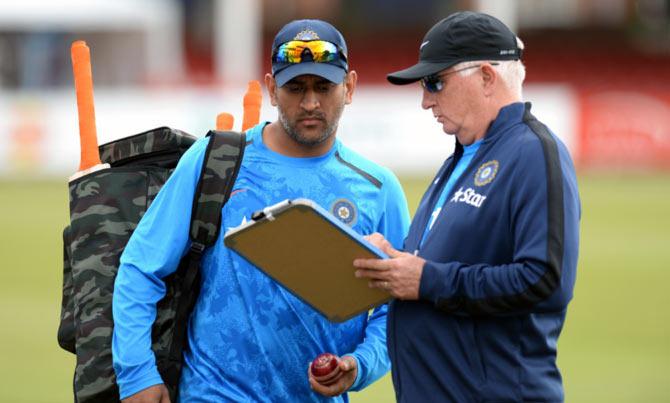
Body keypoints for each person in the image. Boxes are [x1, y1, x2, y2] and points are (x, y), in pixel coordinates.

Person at [112, 19, 410, 402]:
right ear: (271, 88)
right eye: (295, 87)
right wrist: (137, 374)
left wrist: (360, 364)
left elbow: (395, 311)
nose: (310, 103)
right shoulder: (216, 160)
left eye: (324, 86)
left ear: (349, 87)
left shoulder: (377, 188)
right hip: (213, 394)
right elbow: (141, 266)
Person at [353, 11, 581, 403]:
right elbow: (437, 263)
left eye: (435, 82)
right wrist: (396, 260)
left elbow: (546, 281)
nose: (426, 101)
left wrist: (427, 280)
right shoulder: (462, 157)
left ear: (487, 77)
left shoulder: (533, 152)